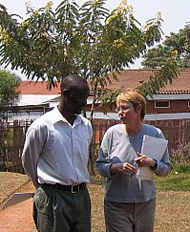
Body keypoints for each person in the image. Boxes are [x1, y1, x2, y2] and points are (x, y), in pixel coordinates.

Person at [22, 75, 93, 232]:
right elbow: (29, 161)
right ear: (66, 94)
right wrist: (44, 188)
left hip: (82, 197)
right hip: (53, 197)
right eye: (81, 97)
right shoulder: (42, 126)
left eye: (86, 97)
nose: (84, 102)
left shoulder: (85, 125)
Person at [96, 90, 170, 232]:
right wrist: (115, 167)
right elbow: (100, 166)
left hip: (145, 203)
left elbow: (166, 169)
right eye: (118, 108)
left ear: (138, 108)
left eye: (124, 108)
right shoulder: (112, 133)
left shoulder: (155, 134)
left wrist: (152, 164)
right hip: (116, 204)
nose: (120, 112)